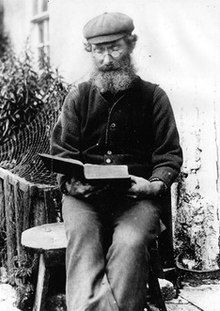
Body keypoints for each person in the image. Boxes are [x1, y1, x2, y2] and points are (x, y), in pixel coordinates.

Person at [51, 12, 183, 311]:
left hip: (135, 200)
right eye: (99, 50)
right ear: (90, 51)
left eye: (115, 48)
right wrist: (72, 183)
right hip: (84, 199)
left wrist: (153, 186)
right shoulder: (78, 97)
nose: (107, 59)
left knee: (131, 243)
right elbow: (62, 152)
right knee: (83, 244)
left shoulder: (153, 97)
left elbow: (169, 154)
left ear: (131, 44)